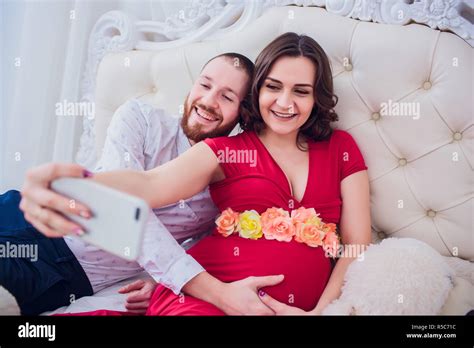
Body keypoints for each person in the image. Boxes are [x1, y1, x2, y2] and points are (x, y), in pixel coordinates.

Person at [21, 32, 372, 315]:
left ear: (317, 98)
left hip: (293, 307)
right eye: (273, 87)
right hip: (205, 298)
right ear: (257, 93)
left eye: (301, 91)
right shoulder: (224, 151)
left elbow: (357, 243)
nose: (284, 102)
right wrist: (73, 182)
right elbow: (148, 185)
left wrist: (323, 313)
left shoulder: (341, 148)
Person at [3, 53, 285, 316]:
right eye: (205, 85)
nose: (209, 101)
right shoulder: (139, 118)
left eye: (226, 96)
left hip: (72, 281)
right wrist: (214, 291)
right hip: (25, 223)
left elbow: (203, 250)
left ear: (243, 113)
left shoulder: (225, 189)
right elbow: (121, 205)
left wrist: (159, 281)